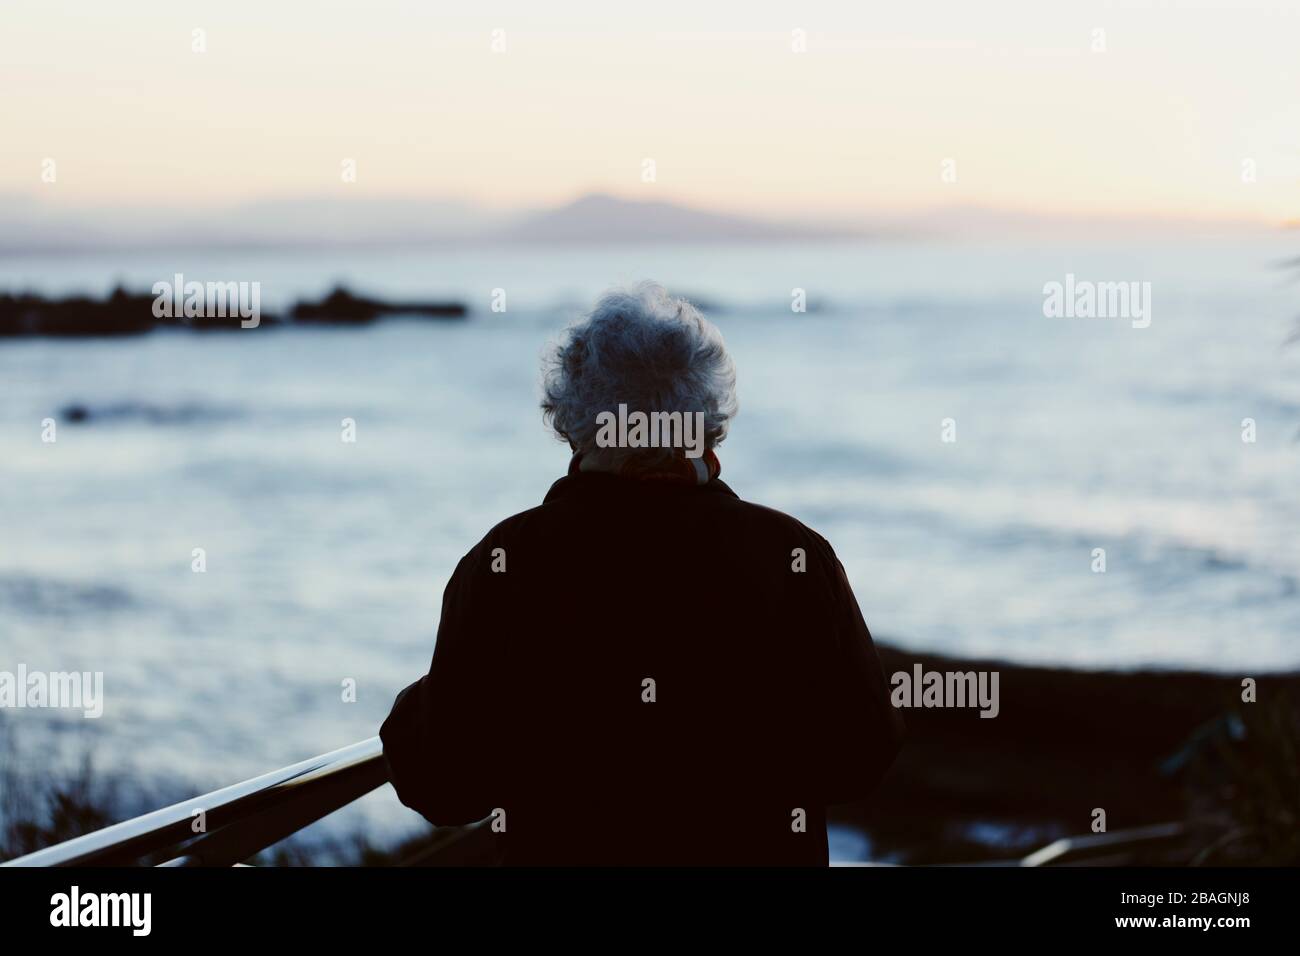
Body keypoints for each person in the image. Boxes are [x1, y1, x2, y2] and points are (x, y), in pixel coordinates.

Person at [380, 282, 903, 865]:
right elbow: (862, 755)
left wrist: (415, 711)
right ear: (706, 420)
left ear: (571, 416)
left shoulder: (506, 561)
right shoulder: (794, 555)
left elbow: (447, 783)